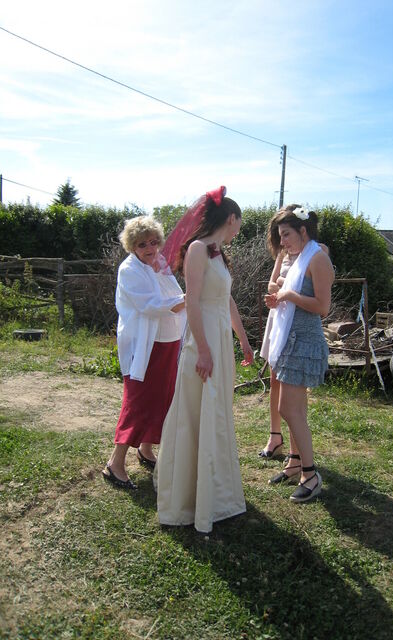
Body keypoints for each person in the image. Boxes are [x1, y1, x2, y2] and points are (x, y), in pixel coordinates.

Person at [153, 187, 254, 533]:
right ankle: (187, 498)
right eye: (239, 223)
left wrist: (243, 340)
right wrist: (205, 350)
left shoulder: (219, 254)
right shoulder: (197, 249)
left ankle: (215, 492)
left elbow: (228, 301)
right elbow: (192, 301)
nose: (239, 229)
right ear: (231, 218)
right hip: (203, 340)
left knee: (216, 413)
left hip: (220, 339)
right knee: (195, 413)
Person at [102, 216, 185, 490]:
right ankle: (115, 464)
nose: (150, 248)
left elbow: (173, 294)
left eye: (153, 242)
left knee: (163, 397)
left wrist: (184, 300)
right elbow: (151, 305)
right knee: (138, 401)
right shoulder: (129, 270)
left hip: (169, 339)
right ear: (132, 246)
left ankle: (146, 449)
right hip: (145, 345)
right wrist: (188, 299)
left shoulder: (159, 262)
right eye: (142, 244)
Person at [264, 205, 334, 502]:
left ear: (303, 231)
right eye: (280, 236)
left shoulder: (318, 258)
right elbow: (287, 290)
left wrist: (289, 295)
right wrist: (280, 297)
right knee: (295, 410)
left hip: (304, 343)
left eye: (286, 235)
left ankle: (310, 474)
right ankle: (294, 462)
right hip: (289, 339)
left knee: (289, 410)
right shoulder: (299, 257)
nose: (282, 242)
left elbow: (322, 307)